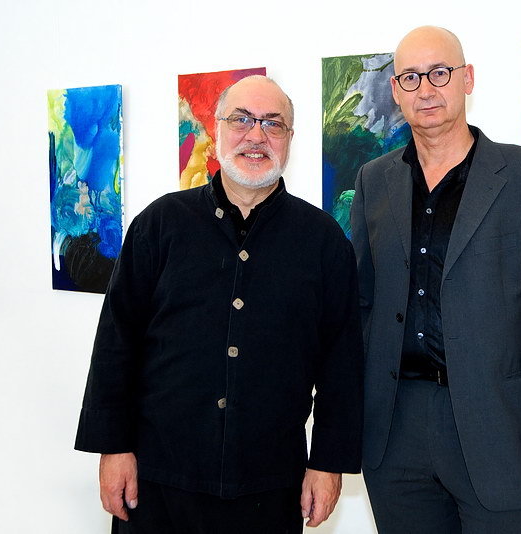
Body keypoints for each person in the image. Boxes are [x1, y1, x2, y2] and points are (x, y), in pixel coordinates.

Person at [75, 75, 363, 534]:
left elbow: (341, 364)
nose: (256, 135)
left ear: (290, 138)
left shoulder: (325, 241)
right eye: (241, 120)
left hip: (270, 486)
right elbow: (116, 342)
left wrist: (328, 462)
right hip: (158, 479)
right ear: (217, 128)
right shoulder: (159, 224)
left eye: (272, 123)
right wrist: (114, 447)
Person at [350, 26, 521, 533]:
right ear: (395, 91)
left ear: (467, 79)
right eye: (410, 77)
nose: (425, 89)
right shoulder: (374, 180)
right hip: (394, 429)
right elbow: (361, 306)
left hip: (497, 428)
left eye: (439, 73)